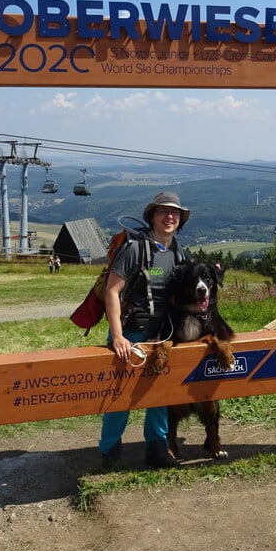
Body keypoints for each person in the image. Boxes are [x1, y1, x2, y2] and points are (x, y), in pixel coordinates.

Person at [100, 191, 191, 469]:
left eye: (174, 213)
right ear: (152, 216)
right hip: (131, 332)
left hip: (163, 335)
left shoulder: (180, 253)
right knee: (120, 394)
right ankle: (110, 452)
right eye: (163, 211)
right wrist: (117, 336)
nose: (169, 217)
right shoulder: (135, 250)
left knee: (160, 394)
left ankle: (157, 449)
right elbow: (112, 292)